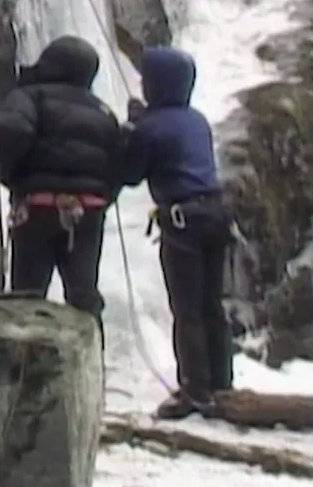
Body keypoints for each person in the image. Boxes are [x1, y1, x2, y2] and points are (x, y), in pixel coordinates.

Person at [120, 46, 233, 419]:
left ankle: (195, 390)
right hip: (217, 215)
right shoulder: (197, 120)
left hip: (183, 221)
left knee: (187, 310)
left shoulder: (151, 127)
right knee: (211, 305)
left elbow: (131, 173)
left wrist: (133, 130)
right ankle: (221, 384)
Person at [0, 35, 124, 342]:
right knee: (83, 297)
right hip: (87, 213)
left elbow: (13, 129)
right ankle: (92, 374)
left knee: (27, 296)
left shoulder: (29, 97)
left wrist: (9, 176)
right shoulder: (103, 110)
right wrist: (104, 197)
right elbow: (120, 160)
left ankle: (23, 373)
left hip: (37, 207)